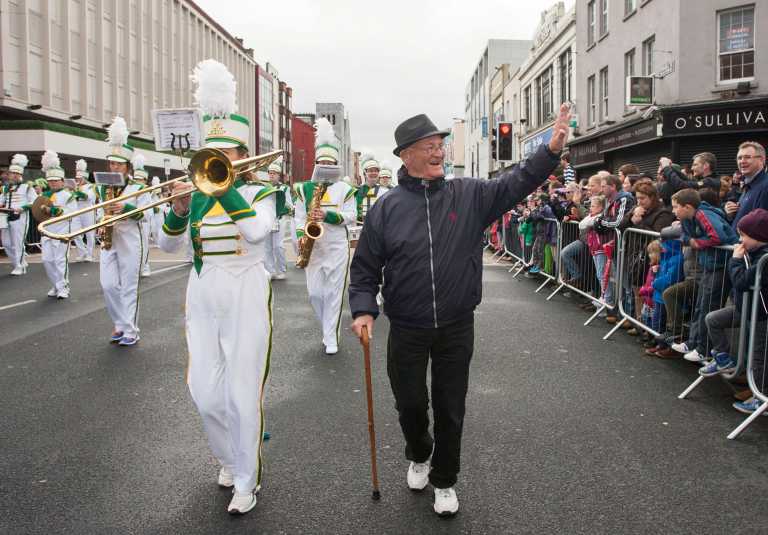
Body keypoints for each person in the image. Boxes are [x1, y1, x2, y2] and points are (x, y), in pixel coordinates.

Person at [349, 104, 570, 516]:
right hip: (408, 326)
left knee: (451, 407)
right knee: (410, 404)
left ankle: (445, 479)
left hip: (456, 323)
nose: (439, 152)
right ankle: (419, 452)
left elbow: (518, 181)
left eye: (440, 145)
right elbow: (364, 267)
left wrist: (551, 151)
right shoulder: (386, 207)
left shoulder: (469, 194)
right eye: (429, 146)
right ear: (406, 156)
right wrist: (363, 309)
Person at [159, 59, 277, 515]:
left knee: (243, 392)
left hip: (245, 288)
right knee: (205, 392)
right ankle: (229, 458)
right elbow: (168, 246)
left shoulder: (260, 192)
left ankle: (247, 479)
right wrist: (179, 207)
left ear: (242, 156)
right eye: (213, 155)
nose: (219, 162)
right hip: (203, 288)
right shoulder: (194, 195)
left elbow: (256, 233)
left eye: (226, 155)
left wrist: (222, 186)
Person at [295, 118, 357, 355]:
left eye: (329, 163)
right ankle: (327, 328)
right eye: (322, 162)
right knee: (314, 294)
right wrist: (301, 236)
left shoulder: (346, 189)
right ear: (316, 164)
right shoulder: (304, 189)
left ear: (336, 165)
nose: (325, 166)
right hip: (314, 246)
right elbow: (299, 216)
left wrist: (328, 215)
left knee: (333, 293)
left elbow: (351, 216)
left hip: (337, 245)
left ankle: (330, 335)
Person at [669, 189, 738, 363]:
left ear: (687, 207)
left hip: (720, 266)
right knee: (700, 305)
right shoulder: (688, 218)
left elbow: (718, 237)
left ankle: (704, 349)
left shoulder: (704, 214)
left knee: (709, 306)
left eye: (676, 207)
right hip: (708, 265)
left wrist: (696, 243)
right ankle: (693, 342)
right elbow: (686, 236)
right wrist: (688, 239)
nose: (673, 211)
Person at [99, 116, 149, 347]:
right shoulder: (104, 187)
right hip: (109, 238)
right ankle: (119, 322)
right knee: (108, 285)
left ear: (128, 167)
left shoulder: (138, 187)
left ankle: (130, 329)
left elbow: (145, 215)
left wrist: (127, 208)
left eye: (119, 165)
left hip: (130, 239)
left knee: (129, 285)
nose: (114, 167)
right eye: (111, 164)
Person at [39, 151, 75, 299]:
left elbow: (71, 213)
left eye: (56, 180)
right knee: (47, 260)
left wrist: (52, 210)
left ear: (62, 181)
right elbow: (37, 211)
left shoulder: (68, 195)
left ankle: (63, 287)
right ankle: (56, 285)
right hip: (47, 232)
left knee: (60, 261)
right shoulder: (44, 195)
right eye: (50, 181)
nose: (53, 183)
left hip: (61, 232)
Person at [1, 153, 36, 275]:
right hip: (6, 217)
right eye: (12, 173)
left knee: (18, 243)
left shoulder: (27, 187)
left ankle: (19, 266)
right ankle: (18, 262)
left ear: (21, 175)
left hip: (20, 217)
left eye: (17, 173)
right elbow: (1, 201)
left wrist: (23, 208)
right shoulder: (5, 188)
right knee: (6, 243)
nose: (14, 175)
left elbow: (34, 202)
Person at [728, 141, 768, 228]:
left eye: (747, 157)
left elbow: (762, 228)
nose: (742, 161)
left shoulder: (765, 187)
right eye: (739, 158)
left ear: (761, 160)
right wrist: (732, 214)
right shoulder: (748, 185)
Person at [264, 159, 292, 280]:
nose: (271, 175)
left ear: (278, 175)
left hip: (279, 219)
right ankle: (270, 271)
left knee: (278, 246)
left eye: (274, 173)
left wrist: (281, 208)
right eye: (270, 173)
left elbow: (289, 205)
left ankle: (281, 270)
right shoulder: (264, 187)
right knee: (267, 247)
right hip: (267, 219)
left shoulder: (285, 188)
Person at [71, 159, 97, 262]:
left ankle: (90, 254)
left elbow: (87, 197)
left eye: (80, 178)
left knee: (89, 234)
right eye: (77, 178)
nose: (78, 180)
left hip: (88, 211)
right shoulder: (75, 187)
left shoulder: (91, 186)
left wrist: (76, 191)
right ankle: (82, 253)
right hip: (76, 211)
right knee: (75, 232)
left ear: (85, 177)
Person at [131, 154, 152, 278]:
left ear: (145, 180)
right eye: (136, 179)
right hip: (132, 221)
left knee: (144, 244)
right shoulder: (131, 189)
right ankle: (135, 267)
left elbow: (147, 213)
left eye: (140, 179)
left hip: (144, 221)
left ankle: (145, 267)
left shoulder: (145, 191)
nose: (137, 181)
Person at [356, 153, 386, 223]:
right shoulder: (356, 192)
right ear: (364, 173)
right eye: (370, 171)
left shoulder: (384, 192)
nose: (373, 173)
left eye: (376, 171)